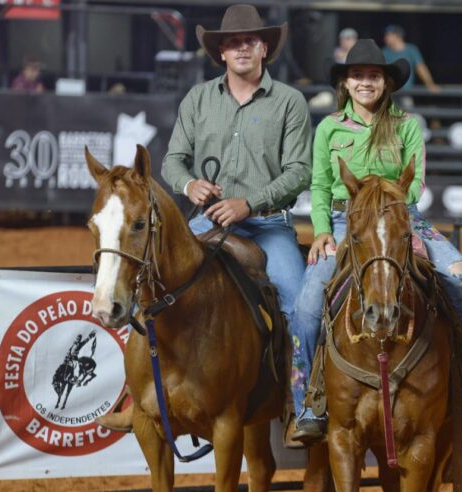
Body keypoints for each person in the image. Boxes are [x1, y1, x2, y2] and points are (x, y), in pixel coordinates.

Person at [96, 3, 312, 432]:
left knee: (298, 302)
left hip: (267, 225)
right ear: (222, 54)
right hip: (205, 222)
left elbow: (300, 171)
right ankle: (132, 394)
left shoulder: (290, 102)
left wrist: (249, 203)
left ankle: (301, 400)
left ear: (264, 48)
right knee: (148, 278)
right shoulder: (198, 99)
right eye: (233, 43)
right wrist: (189, 184)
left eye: (250, 41)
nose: (242, 49)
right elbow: (174, 159)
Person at [288, 39, 462, 445]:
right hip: (345, 221)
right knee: (308, 300)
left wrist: (389, 199)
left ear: (385, 82)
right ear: (346, 84)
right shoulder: (329, 127)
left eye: (373, 75)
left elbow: (415, 183)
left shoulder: (406, 126)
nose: (365, 82)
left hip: (404, 219)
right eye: (357, 75)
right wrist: (322, 231)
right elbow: (318, 186)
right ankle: (308, 402)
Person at [382, 24, 440, 93]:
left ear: (398, 36)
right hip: (388, 92)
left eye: (389, 35)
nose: (386, 38)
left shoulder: (411, 50)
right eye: (386, 35)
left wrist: (430, 84)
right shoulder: (384, 52)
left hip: (406, 92)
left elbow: (421, 68)